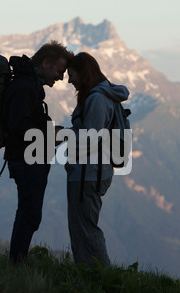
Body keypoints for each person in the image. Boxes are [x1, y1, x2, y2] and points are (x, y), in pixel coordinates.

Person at [4, 40, 74, 264]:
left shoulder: (28, 85)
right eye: (59, 71)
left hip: (28, 158)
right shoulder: (25, 87)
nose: (61, 77)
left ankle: (17, 261)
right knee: (29, 214)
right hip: (26, 160)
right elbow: (18, 126)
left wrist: (49, 131)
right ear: (46, 63)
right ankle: (17, 264)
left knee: (28, 213)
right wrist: (50, 134)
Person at [65, 52, 130, 267]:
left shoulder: (97, 99)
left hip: (88, 173)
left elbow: (91, 139)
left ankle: (102, 277)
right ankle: (87, 274)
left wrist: (63, 135)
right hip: (90, 172)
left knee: (86, 228)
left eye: (72, 75)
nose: (69, 80)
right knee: (81, 227)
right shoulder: (99, 96)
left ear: (83, 74)